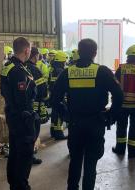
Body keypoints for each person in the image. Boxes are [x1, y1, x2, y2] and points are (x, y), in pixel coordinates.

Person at [52, 38, 123, 190]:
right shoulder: (102, 71)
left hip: (75, 123)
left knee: (75, 160)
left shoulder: (67, 72)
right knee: (91, 164)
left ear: (78, 52)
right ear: (94, 53)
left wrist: (64, 114)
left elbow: (54, 98)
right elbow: (119, 95)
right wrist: (111, 115)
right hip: (96, 122)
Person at [0, 37, 36, 190]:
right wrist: (28, 115)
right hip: (23, 118)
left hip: (12, 115)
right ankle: (21, 186)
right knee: (25, 154)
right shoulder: (19, 71)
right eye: (30, 50)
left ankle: (14, 184)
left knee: (15, 152)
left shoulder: (7, 66)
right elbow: (22, 98)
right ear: (27, 50)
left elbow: (4, 92)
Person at [26, 47, 49, 165]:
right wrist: (45, 99)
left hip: (21, 107)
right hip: (34, 106)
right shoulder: (34, 69)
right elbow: (42, 90)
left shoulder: (19, 67)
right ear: (35, 56)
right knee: (34, 131)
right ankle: (30, 156)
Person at [49, 50, 68, 140]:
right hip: (59, 95)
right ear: (62, 60)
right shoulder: (60, 70)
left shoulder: (52, 68)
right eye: (65, 61)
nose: (65, 63)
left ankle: (53, 130)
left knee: (54, 112)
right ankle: (58, 133)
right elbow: (62, 86)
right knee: (59, 113)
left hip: (52, 94)